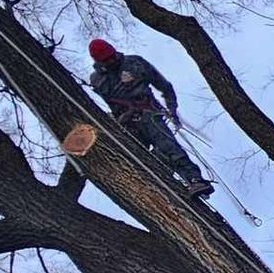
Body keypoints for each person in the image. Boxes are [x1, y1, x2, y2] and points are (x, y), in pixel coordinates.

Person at [88, 38, 212, 197]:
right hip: (126, 124)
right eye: (106, 60)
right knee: (135, 160)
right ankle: (158, 182)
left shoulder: (135, 63)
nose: (111, 61)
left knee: (168, 147)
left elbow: (164, 86)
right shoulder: (96, 80)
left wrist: (172, 109)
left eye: (112, 56)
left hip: (149, 114)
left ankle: (195, 180)